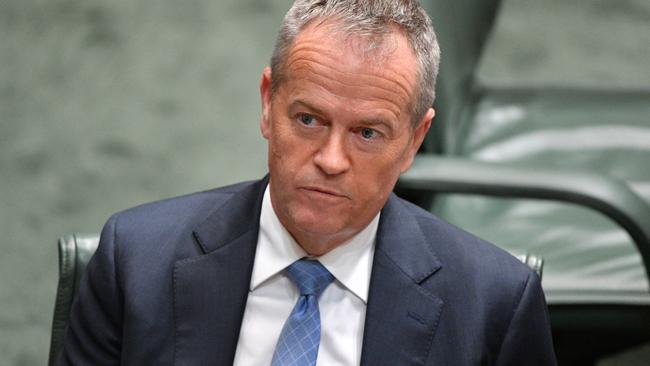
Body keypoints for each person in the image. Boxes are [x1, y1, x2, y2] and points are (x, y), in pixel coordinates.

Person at [57, 0, 556, 365]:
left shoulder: (493, 307)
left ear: (414, 139)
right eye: (309, 120)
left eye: (367, 133)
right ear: (268, 103)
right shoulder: (135, 262)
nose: (331, 159)